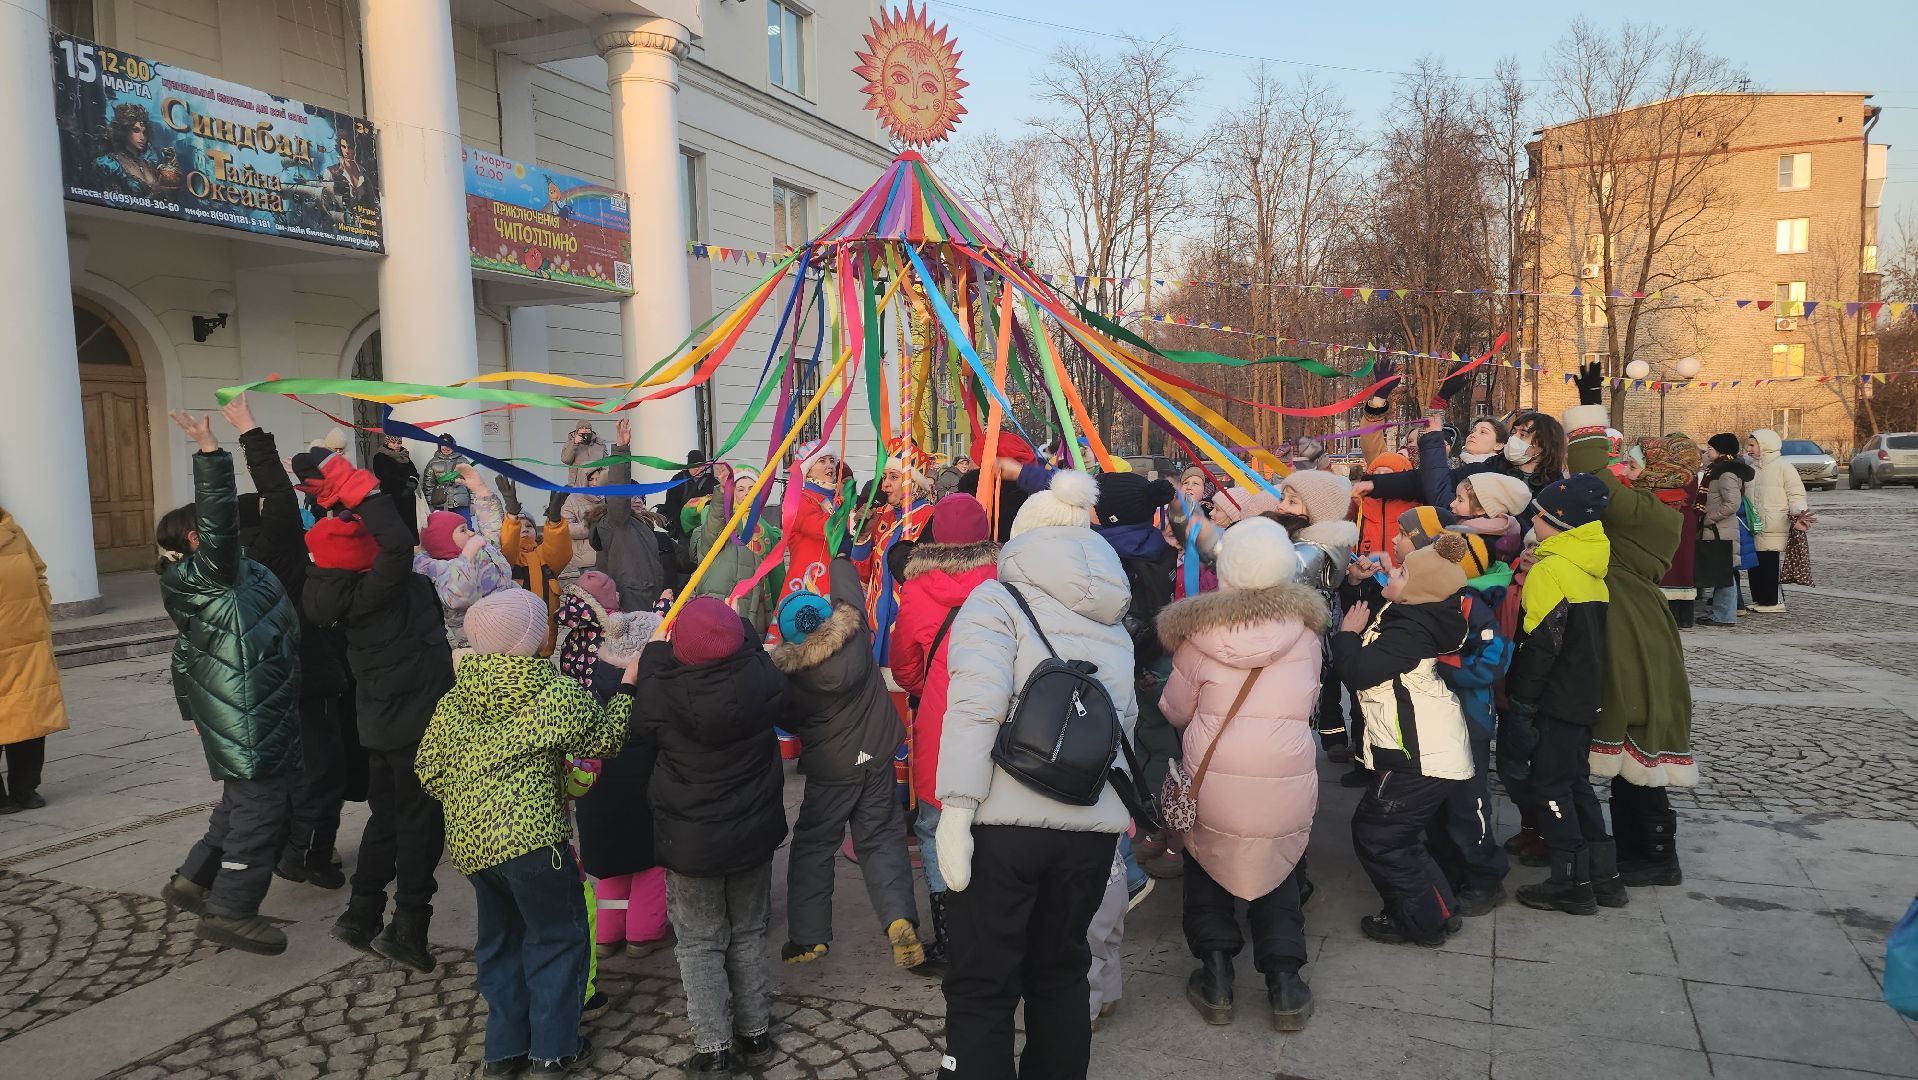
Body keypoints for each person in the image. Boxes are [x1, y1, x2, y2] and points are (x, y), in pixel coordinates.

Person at [934, 470, 1139, 1080]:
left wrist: (957, 807)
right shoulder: (1114, 615)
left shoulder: (997, 601)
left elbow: (976, 704)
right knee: (1062, 972)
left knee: (981, 983)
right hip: (1091, 824)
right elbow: (1121, 722)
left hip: (1002, 823)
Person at [415, 587, 632, 1076]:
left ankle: (504, 1050)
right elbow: (605, 738)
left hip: (473, 848)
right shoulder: (553, 692)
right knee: (558, 938)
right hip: (535, 845)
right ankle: (554, 1049)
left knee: (501, 943)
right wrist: (628, 691)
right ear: (532, 643)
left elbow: (428, 770)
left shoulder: (455, 701)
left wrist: (477, 784)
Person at [1157, 517, 1325, 1031]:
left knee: (1206, 867)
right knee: (1280, 860)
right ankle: (1285, 983)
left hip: (1215, 774)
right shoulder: (1306, 634)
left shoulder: (1197, 635)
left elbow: (1175, 709)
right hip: (1286, 770)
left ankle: (1215, 976)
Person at [299, 446, 455, 974]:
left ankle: (361, 912)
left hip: (383, 722)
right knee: (419, 825)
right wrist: (359, 488)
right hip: (415, 723)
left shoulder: (337, 587)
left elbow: (378, 540)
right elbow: (397, 540)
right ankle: (408, 926)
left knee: (385, 819)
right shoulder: (377, 590)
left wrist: (330, 491)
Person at [154, 410, 303, 954]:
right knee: (260, 811)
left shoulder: (236, 573)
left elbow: (185, 653)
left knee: (240, 802)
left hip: (250, 704)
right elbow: (220, 517)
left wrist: (194, 712)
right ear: (199, 538)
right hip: (249, 708)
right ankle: (233, 908)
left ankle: (193, 880)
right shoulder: (206, 576)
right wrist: (211, 450)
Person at [629, 596, 790, 1077]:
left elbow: (640, 713)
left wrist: (658, 648)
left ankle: (713, 1046)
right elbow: (750, 643)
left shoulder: (662, 694)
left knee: (699, 942)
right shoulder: (764, 681)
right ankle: (755, 1032)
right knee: (747, 933)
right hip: (752, 836)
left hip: (691, 842)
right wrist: (731, 621)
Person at [1564, 378, 1696, 889]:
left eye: (1639, 462)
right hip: (1635, 622)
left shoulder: (1647, 511)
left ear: (1659, 471)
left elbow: (1591, 472)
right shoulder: (1655, 510)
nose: (1628, 468)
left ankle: (1659, 855)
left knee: (1635, 729)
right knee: (1627, 739)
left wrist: (1589, 409)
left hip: (1633, 627)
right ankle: (1639, 849)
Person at [223, 397, 354, 889]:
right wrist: (249, 431)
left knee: (279, 771)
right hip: (306, 673)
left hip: (258, 683)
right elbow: (278, 499)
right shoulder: (278, 555)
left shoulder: (225, 568)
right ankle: (308, 854)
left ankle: (281, 846)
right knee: (321, 772)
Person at [772, 555, 927, 969]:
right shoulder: (854, 632)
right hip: (876, 752)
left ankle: (808, 938)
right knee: (880, 838)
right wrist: (840, 554)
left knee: (813, 846)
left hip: (833, 770)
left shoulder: (790, 678)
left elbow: (785, 720)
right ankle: (898, 921)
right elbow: (847, 587)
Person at [1329, 535, 1473, 947]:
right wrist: (1356, 586)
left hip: (1420, 754)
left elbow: (1357, 671)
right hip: (1418, 749)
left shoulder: (1410, 631)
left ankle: (1421, 922)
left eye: (1403, 571)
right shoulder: (1411, 613)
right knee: (1397, 835)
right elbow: (1376, 611)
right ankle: (1439, 909)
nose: (1393, 571)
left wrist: (1346, 636)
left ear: (1419, 590)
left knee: (1381, 836)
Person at [1498, 474, 1624, 915]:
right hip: (1584, 694)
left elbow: (1539, 645)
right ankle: (1605, 876)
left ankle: (1571, 881)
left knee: (1550, 785)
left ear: (1556, 521)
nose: (1533, 521)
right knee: (1575, 783)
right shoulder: (1590, 566)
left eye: (1539, 515)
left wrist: (1523, 702)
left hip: (1554, 696)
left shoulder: (1550, 570)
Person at [888, 492, 998, 974]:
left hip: (939, 720)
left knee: (936, 824)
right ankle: (997, 927)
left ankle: (952, 936)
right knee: (993, 820)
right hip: (997, 716)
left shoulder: (915, 588)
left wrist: (929, 687)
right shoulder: (1005, 581)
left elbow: (905, 666)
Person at [553, 571, 671, 964]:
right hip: (644, 800)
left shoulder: (589, 686)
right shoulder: (652, 697)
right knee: (648, 870)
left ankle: (607, 934)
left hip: (599, 802)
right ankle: (643, 934)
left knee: (611, 873)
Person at [0, 502, 67, 815]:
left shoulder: (14, 533)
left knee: (30, 719)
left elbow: (38, 571)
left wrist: (41, 607)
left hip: (27, 643)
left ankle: (26, 788)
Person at [413, 468, 517, 650]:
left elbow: (492, 530)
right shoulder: (442, 569)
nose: (470, 531)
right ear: (443, 540)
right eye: (462, 530)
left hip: (510, 627)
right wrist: (467, 558)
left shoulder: (478, 549)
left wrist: (481, 491)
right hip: (481, 645)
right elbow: (459, 596)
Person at [685, 464, 782, 635]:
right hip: (723, 603)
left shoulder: (768, 531)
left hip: (757, 606)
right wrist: (722, 493)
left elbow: (776, 578)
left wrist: (777, 611)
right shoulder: (721, 519)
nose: (746, 493)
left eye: (752, 488)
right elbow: (713, 530)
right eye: (740, 489)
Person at [592, 416, 669, 613]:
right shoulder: (617, 521)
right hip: (629, 601)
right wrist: (621, 451)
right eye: (630, 496)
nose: (636, 499)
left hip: (650, 599)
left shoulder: (645, 527)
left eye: (640, 496)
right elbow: (619, 492)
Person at [1635, 436, 1703, 628]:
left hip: (1668, 520)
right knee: (1684, 565)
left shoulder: (1663, 474)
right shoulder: (1690, 472)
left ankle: (1669, 616)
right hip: (1687, 521)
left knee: (1669, 564)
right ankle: (1685, 616)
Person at [501, 492, 576, 656]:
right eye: (519, 527)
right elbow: (507, 547)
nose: (525, 530)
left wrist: (555, 521)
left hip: (545, 636)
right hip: (515, 639)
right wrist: (512, 517)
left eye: (529, 526)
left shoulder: (544, 555)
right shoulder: (507, 557)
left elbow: (558, 548)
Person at [1745, 428, 1810, 613]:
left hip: (1774, 522)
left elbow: (1795, 492)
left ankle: (1772, 601)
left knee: (1769, 563)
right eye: (1748, 445)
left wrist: (1799, 513)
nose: (1749, 449)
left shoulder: (1783, 466)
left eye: (1752, 445)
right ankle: (1759, 598)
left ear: (1765, 446)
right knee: (1754, 564)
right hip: (1754, 523)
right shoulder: (1750, 467)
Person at [779, 441, 842, 607]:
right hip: (808, 581)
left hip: (836, 581)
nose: (829, 465)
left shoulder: (838, 500)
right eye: (822, 461)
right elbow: (821, 527)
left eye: (831, 460)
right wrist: (848, 517)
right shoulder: (799, 499)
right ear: (807, 470)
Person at [1698, 433, 1753, 627]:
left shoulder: (1725, 473)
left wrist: (1708, 519)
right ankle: (1720, 612)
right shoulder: (1717, 471)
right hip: (1718, 528)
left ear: (1721, 451)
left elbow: (1732, 504)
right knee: (1722, 572)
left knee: (1725, 572)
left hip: (1720, 529)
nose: (1707, 451)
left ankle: (1724, 615)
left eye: (1711, 448)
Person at [370, 434, 421, 542]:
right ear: (387, 443)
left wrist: (412, 484)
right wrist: (403, 484)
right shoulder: (380, 457)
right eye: (393, 443)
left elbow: (414, 472)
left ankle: (411, 546)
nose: (396, 445)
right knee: (395, 525)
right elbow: (383, 475)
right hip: (391, 496)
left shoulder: (405, 456)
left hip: (408, 496)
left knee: (409, 525)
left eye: (399, 443)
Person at [562, 468, 607, 573]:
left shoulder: (610, 497)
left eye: (598, 479)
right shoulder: (573, 499)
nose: (595, 483)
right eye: (591, 479)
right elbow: (565, 528)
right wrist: (592, 525)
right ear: (584, 480)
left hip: (611, 556)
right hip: (586, 559)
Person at [421, 440, 474, 523]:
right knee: (443, 531)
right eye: (443, 445)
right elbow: (428, 484)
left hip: (461, 503)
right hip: (441, 503)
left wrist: (473, 502)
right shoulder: (433, 463)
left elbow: (472, 482)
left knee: (466, 529)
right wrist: (430, 504)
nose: (446, 448)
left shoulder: (464, 461)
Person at [559, 421, 608, 487]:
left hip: (596, 484)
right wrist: (574, 443)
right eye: (582, 428)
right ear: (577, 431)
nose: (584, 430)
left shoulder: (600, 444)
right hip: (577, 484)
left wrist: (603, 480)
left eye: (587, 428)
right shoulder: (570, 443)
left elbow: (606, 464)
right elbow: (566, 460)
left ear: (591, 431)